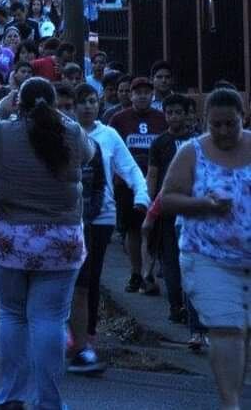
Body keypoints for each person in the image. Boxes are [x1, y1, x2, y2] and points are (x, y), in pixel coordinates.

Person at [0, 78, 94, 410]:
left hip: (12, 237)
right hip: (61, 240)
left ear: (18, 104)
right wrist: (56, 114)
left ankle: (11, 395)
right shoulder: (70, 134)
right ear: (53, 105)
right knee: (50, 319)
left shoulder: (1, 133)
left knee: (12, 315)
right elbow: (90, 151)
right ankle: (49, 400)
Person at [159, 88, 251, 410]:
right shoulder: (190, 152)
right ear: (204, 121)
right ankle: (231, 404)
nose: (224, 131)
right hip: (207, 255)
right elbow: (166, 199)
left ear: (243, 117)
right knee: (227, 328)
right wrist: (204, 204)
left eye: (231, 124)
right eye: (216, 125)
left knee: (243, 333)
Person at [66, 83, 148, 374]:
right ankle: (68, 332)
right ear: (72, 106)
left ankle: (86, 336)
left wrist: (142, 196)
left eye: (92, 101)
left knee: (91, 276)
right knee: (70, 276)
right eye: (81, 102)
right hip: (68, 215)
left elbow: (130, 169)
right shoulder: (65, 131)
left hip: (102, 215)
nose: (87, 107)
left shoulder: (109, 135)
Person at [109, 77, 167, 294]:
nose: (142, 95)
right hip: (128, 185)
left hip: (158, 183)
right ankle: (136, 272)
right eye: (138, 92)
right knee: (133, 229)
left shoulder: (162, 118)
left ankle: (150, 272)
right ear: (130, 95)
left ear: (152, 95)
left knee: (155, 229)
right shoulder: (118, 119)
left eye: (146, 92)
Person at [146, 93, 196, 324]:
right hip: (166, 208)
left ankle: (193, 308)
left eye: (178, 112)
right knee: (170, 260)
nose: (174, 116)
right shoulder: (159, 143)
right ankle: (176, 306)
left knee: (192, 260)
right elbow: (153, 175)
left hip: (192, 209)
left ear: (187, 115)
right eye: (169, 112)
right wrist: (150, 205)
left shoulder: (197, 142)